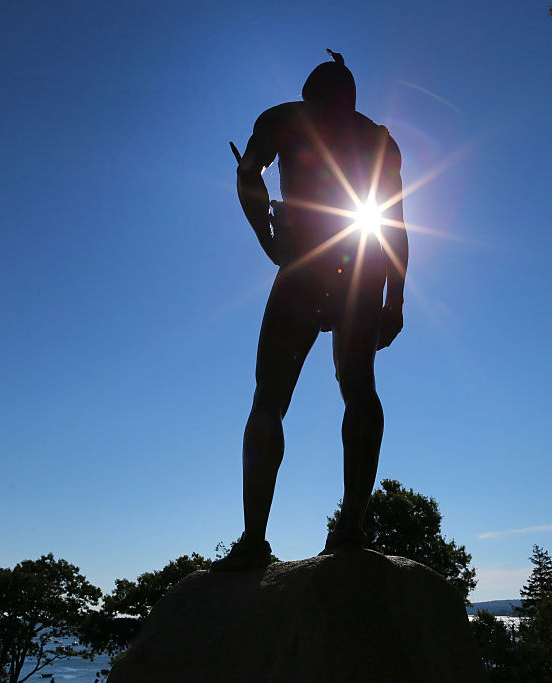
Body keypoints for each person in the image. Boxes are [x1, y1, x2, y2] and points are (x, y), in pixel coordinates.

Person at [213, 51, 408, 570]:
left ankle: (254, 541)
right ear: (350, 95)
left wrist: (266, 238)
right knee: (360, 389)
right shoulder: (380, 138)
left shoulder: (283, 117)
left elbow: (247, 175)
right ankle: (352, 528)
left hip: (303, 268)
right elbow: (394, 226)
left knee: (269, 401)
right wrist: (396, 299)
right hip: (363, 271)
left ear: (310, 90)